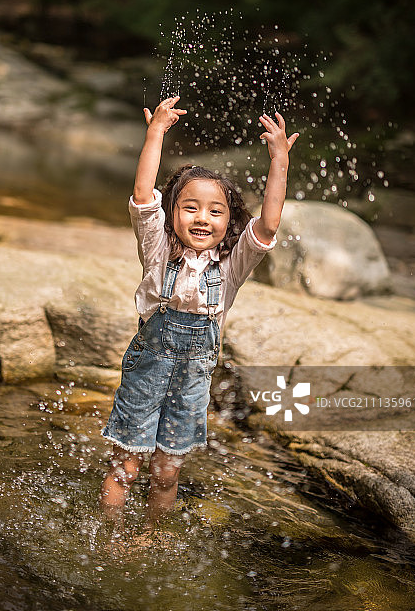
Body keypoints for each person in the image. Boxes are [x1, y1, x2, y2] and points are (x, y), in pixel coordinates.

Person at [99, 96, 298, 542]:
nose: (202, 218)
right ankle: (110, 537)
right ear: (172, 214)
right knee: (126, 464)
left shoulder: (232, 267)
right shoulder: (156, 249)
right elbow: (141, 194)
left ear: (230, 222)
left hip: (191, 384)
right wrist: (156, 134)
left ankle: (152, 534)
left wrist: (279, 162)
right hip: (145, 376)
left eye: (215, 211)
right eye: (190, 207)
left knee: (167, 472)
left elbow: (267, 225)